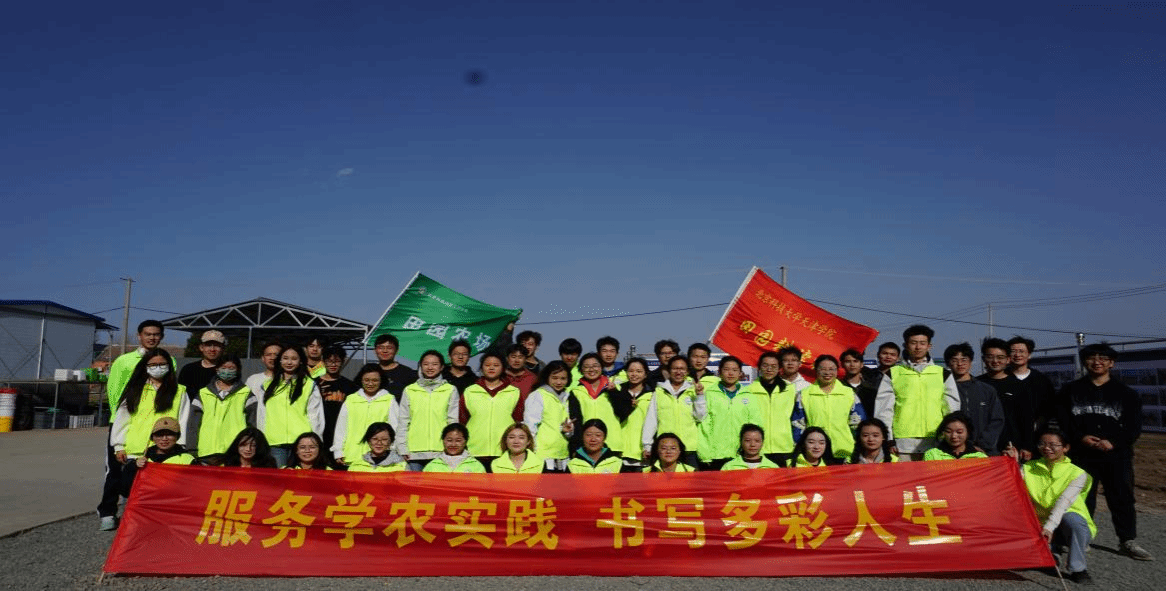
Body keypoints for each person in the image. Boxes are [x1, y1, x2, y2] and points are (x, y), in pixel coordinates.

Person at [1054, 343, 1152, 561]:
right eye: (1091, 358)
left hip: (1116, 455)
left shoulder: (1126, 394)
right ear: (1084, 362)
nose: (1097, 362)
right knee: (1080, 497)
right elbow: (1064, 421)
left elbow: (1134, 427)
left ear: (1111, 363)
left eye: (1103, 358)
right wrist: (1080, 437)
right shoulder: (1070, 391)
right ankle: (1080, 537)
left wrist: (1114, 442)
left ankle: (1127, 540)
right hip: (1081, 453)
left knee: (1122, 497)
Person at [98, 319, 167, 531]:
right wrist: (119, 420)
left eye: (156, 334)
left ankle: (143, 512)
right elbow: (114, 391)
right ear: (139, 336)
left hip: (154, 425)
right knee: (115, 470)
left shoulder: (167, 361)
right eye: (148, 334)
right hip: (126, 422)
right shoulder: (125, 361)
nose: (152, 337)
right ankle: (108, 512)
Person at [1021, 428, 1097, 584]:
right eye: (1042, 443)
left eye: (1053, 445)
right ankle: (1052, 552)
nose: (1046, 448)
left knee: (1073, 521)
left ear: (1066, 448)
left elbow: (1063, 503)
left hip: (1066, 518)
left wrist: (1049, 527)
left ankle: (1078, 569)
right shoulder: (1027, 468)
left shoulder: (1078, 474)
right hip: (1038, 521)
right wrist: (1012, 460)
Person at [874, 325, 960, 460]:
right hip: (902, 443)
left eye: (922, 343)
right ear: (905, 345)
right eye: (913, 343)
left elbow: (951, 409)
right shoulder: (893, 373)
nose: (918, 347)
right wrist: (888, 439)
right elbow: (883, 410)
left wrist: (950, 436)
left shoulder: (943, 373)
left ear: (929, 346)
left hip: (936, 441)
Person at [111, 349, 191, 467]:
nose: (158, 368)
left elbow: (184, 420)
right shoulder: (135, 390)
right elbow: (122, 419)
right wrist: (119, 446)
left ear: (169, 366)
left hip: (166, 453)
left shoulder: (179, 391)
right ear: (145, 367)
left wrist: (180, 446)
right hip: (135, 452)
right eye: (153, 365)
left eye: (162, 364)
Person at [247, 344, 324, 467]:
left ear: (300, 361)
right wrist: (261, 440)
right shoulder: (267, 385)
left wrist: (316, 440)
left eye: (294, 359)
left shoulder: (309, 385)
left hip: (301, 444)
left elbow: (315, 415)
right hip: (274, 443)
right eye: (285, 358)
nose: (289, 362)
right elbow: (261, 415)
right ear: (280, 361)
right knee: (278, 478)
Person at [792, 354, 866, 460]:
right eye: (823, 369)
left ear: (837, 371)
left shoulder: (848, 393)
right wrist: (800, 450)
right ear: (816, 370)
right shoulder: (804, 394)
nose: (827, 373)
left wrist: (859, 449)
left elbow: (858, 424)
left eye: (831, 369)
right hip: (814, 452)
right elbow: (798, 425)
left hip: (844, 451)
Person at [699, 355, 766, 470]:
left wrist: (757, 452)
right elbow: (704, 426)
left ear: (740, 373)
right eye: (726, 369)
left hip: (741, 455)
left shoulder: (748, 395)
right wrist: (705, 454)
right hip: (715, 455)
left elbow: (756, 424)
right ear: (719, 372)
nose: (730, 373)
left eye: (735, 370)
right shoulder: (709, 394)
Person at [398, 350, 461, 471]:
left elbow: (453, 421)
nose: (430, 367)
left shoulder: (450, 390)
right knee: (415, 483)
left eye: (435, 364)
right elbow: (403, 421)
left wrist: (452, 446)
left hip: (441, 451)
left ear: (441, 367)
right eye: (426, 364)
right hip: (414, 452)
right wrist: (402, 448)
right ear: (420, 366)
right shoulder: (410, 390)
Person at [640, 355, 706, 468]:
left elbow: (700, 417)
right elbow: (651, 420)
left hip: (689, 448)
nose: (678, 372)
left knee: (690, 479)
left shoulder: (693, 390)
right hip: (666, 449)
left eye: (682, 369)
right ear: (669, 371)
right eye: (675, 368)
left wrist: (700, 396)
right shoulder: (659, 392)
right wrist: (647, 445)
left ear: (687, 371)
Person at [979, 337, 1037, 460]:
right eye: (990, 357)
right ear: (984, 359)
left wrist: (1027, 446)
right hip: (981, 447)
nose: (995, 361)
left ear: (1008, 359)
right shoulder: (977, 384)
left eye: (1000, 357)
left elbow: (1027, 419)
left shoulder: (1019, 386)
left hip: (1011, 447)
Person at [459, 352, 523, 463]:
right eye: (487, 365)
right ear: (481, 368)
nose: (491, 368)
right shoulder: (470, 391)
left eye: (496, 365)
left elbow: (519, 421)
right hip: (474, 450)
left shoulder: (514, 392)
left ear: (503, 368)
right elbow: (462, 421)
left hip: (504, 451)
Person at [943, 343, 1005, 455]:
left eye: (964, 360)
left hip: (984, 450)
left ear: (971, 362)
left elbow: (997, 420)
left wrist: (982, 444)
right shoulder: (944, 390)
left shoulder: (986, 390)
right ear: (948, 363)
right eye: (955, 360)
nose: (960, 364)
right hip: (953, 450)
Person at [332, 364, 398, 466]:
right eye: (366, 380)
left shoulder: (389, 400)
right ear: (361, 380)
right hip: (352, 455)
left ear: (381, 381)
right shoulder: (351, 399)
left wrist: (393, 449)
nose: (370, 383)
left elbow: (395, 428)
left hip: (379, 456)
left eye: (375, 380)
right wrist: (338, 451)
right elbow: (341, 427)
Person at [186, 354, 250, 460]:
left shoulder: (246, 393)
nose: (227, 371)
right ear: (217, 369)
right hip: (206, 451)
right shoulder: (203, 393)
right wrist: (192, 448)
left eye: (231, 368)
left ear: (238, 370)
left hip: (234, 453)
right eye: (223, 368)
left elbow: (252, 423)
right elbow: (193, 423)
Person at [523, 361, 583, 471]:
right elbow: (530, 425)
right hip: (542, 454)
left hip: (563, 454)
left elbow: (567, 428)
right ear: (547, 377)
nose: (559, 382)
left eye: (563, 378)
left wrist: (568, 431)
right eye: (554, 378)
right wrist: (531, 450)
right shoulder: (538, 395)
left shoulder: (568, 396)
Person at [119, 417, 194, 498]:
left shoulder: (189, 460)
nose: (164, 439)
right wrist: (133, 467)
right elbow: (125, 491)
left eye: (169, 434)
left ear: (177, 436)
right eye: (159, 435)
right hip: (147, 504)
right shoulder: (142, 460)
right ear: (152, 437)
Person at [570, 352, 626, 457]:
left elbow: (623, 412)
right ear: (581, 370)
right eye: (586, 366)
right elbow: (575, 421)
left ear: (601, 367)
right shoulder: (576, 392)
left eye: (595, 365)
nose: (591, 369)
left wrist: (613, 392)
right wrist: (576, 446)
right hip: (587, 446)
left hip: (612, 444)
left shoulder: (615, 388)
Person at [607, 357, 651, 470]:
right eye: (631, 371)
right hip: (619, 450)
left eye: (639, 371)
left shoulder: (652, 395)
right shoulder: (616, 391)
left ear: (645, 374)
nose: (634, 374)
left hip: (641, 452)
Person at [1007, 336, 1057, 429]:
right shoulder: (1002, 378)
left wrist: (1038, 423)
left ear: (1029, 355)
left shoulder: (1041, 380)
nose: (1017, 355)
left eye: (1021, 351)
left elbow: (1050, 407)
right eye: (1013, 351)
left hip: (1036, 431)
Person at [317, 345, 356, 451]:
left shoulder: (350, 386)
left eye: (337, 361)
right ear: (323, 362)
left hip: (341, 434)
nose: (333, 365)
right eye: (329, 361)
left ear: (343, 361)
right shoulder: (314, 384)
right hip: (319, 434)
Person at [177, 330, 226, 402]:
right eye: (208, 345)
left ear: (223, 348)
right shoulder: (188, 370)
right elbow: (181, 395)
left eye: (216, 345)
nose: (212, 349)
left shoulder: (227, 371)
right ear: (201, 347)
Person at [924, 412, 988, 460]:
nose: (953, 436)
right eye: (948, 431)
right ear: (943, 432)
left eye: (959, 432)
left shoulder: (980, 457)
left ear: (968, 432)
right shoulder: (932, 455)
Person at [840, 348, 882, 418]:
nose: (852, 365)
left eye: (855, 361)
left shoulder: (871, 388)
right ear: (842, 364)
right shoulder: (839, 387)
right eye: (848, 362)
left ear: (862, 364)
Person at [372, 334, 417, 398]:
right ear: (375, 350)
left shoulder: (409, 374)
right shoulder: (368, 372)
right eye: (381, 348)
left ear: (396, 350)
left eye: (389, 348)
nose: (385, 351)